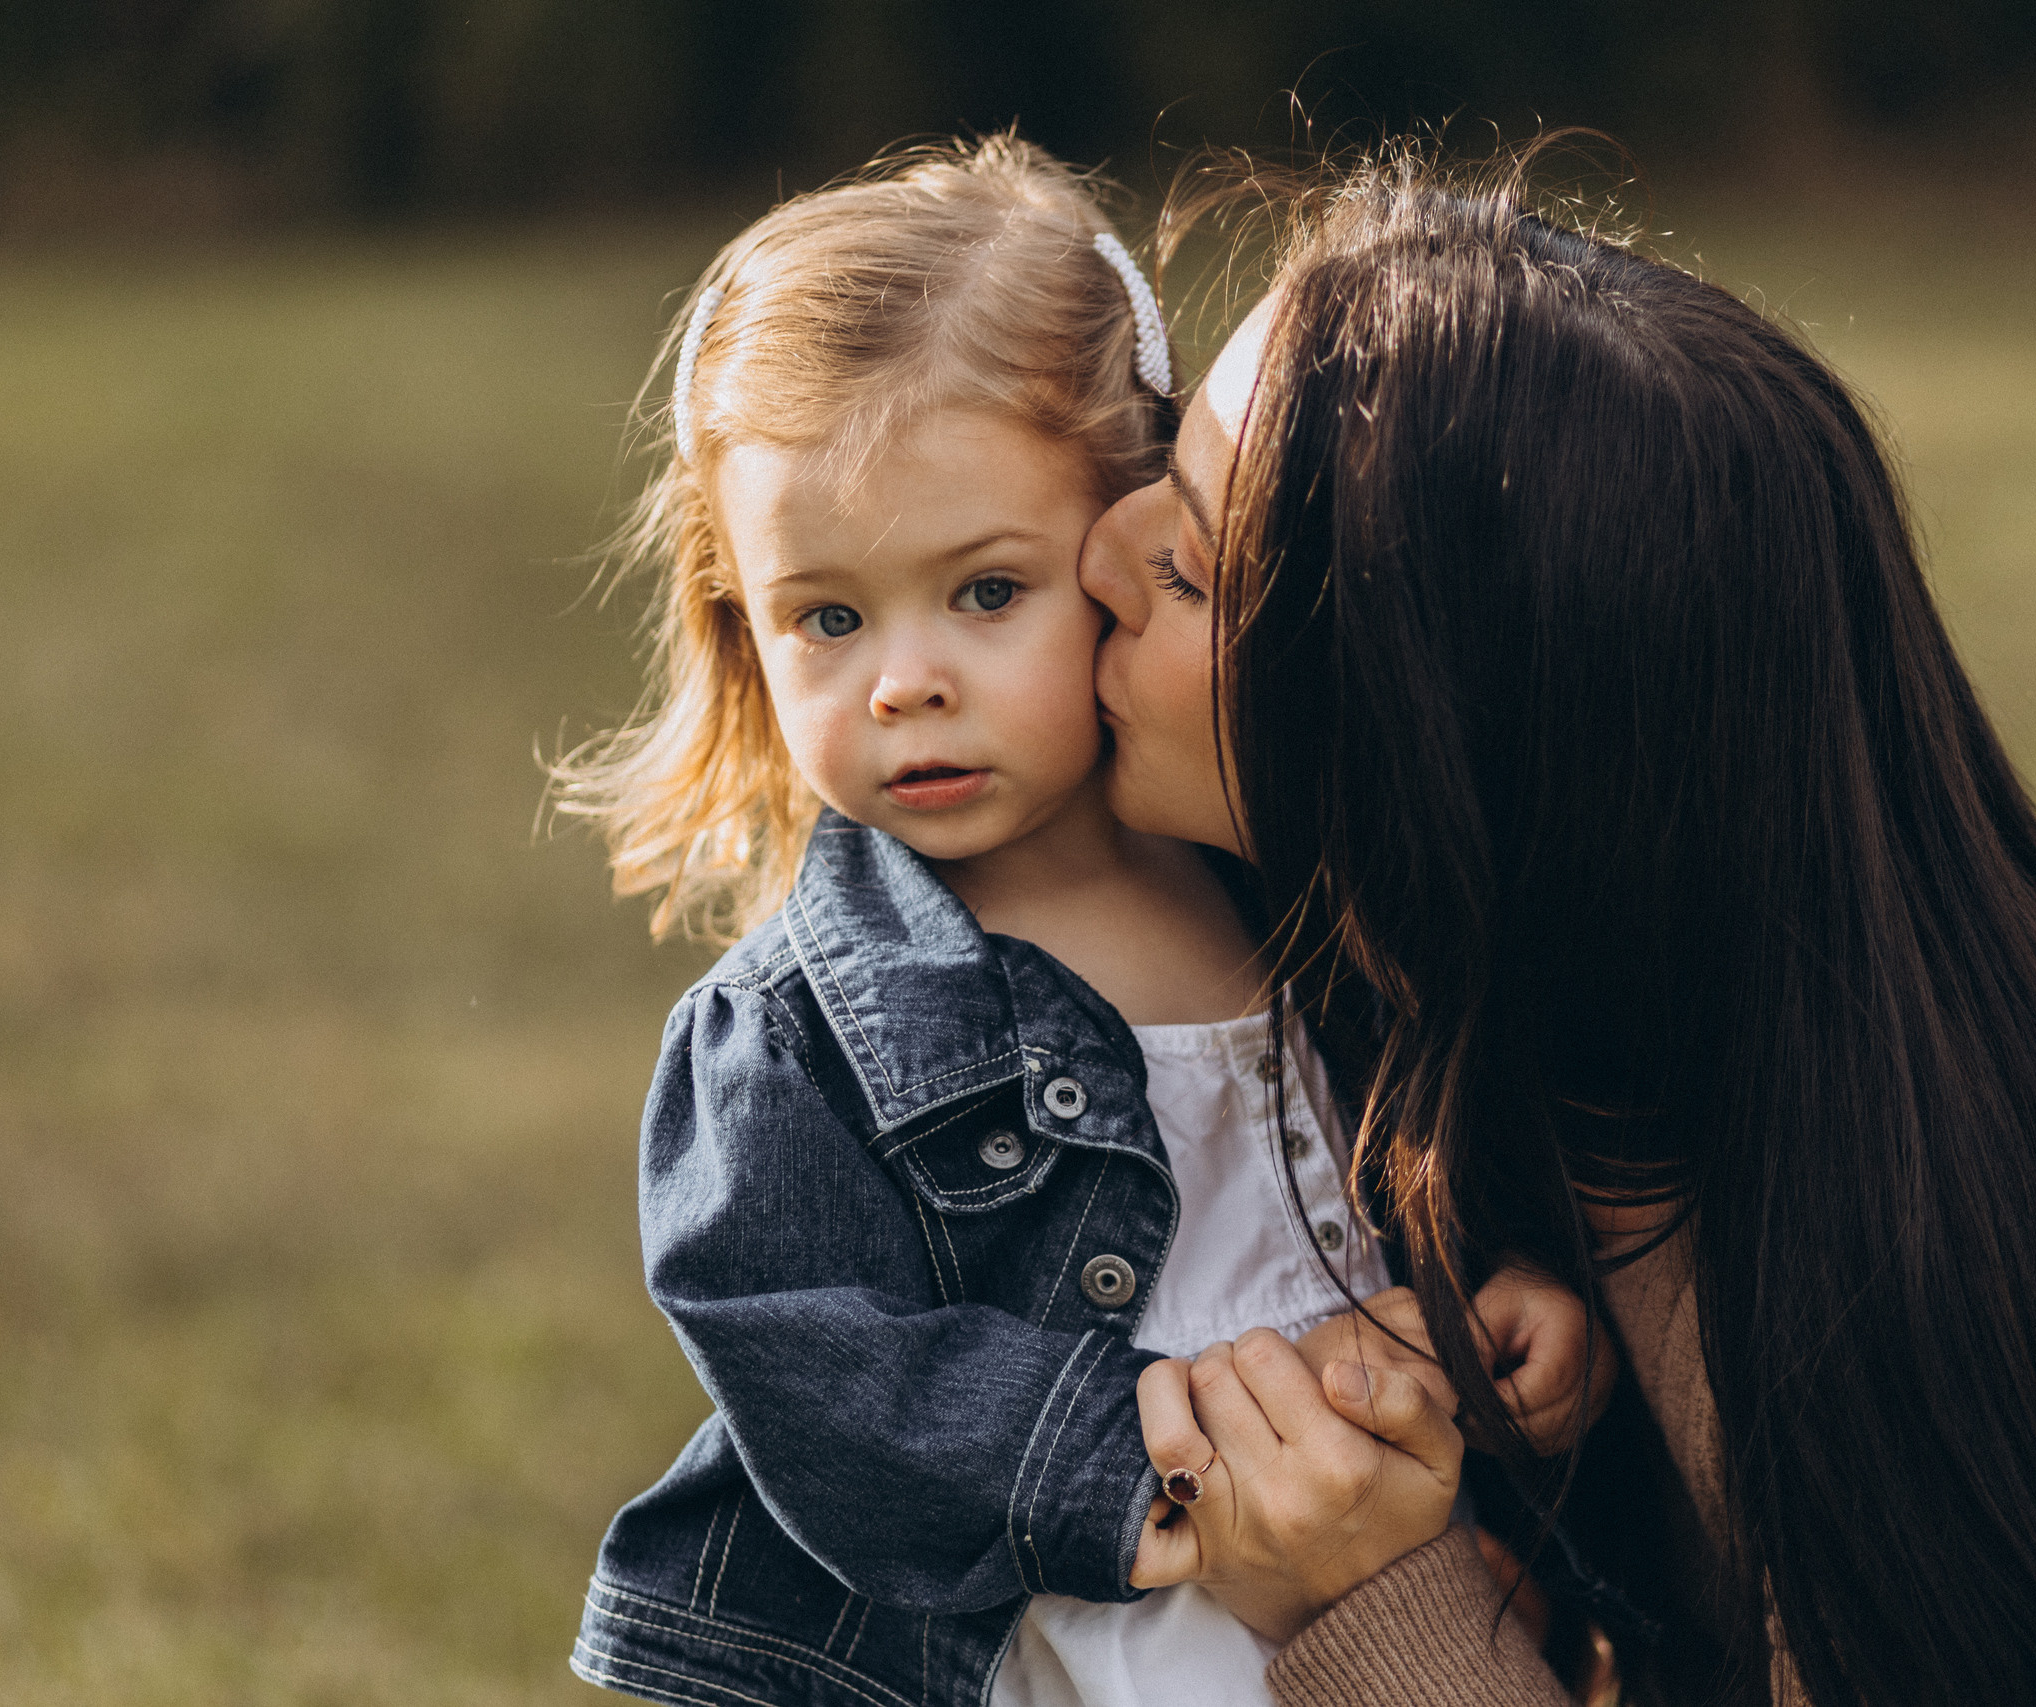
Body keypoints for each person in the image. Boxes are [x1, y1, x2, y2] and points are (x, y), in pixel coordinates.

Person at [1078, 145, 2036, 1707]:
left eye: (1189, 569)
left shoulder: (1909, 1288)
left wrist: (1374, 1598)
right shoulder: (1577, 1024)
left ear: (1423, 761)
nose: (1098, 549)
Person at [551, 136, 1599, 1707]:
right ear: (740, 623)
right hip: (1078, 1624)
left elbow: (1425, 1136)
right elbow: (810, 1363)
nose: (906, 682)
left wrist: (1492, 1299)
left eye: (987, 593)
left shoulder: (1290, 886)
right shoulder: (793, 1031)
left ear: (1128, 544)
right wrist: (1132, 1463)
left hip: (1367, 1580)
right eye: (828, 618)